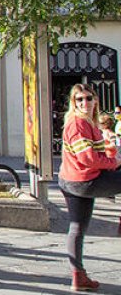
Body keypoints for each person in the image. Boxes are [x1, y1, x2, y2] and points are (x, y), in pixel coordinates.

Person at [58, 83, 121, 291]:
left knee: (77, 227)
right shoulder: (78, 124)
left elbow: (94, 154)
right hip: (84, 180)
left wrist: (108, 153)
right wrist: (114, 163)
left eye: (88, 98)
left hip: (71, 180)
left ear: (95, 100)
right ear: (73, 103)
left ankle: (78, 277)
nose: (84, 102)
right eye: (79, 99)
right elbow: (87, 159)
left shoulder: (87, 123)